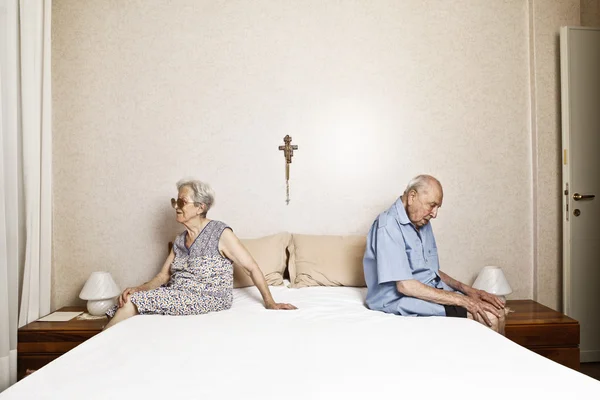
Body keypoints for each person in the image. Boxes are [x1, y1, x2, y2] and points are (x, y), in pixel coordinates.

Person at [104, 179, 296, 330]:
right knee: (125, 301)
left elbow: (251, 267)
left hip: (208, 296)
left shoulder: (220, 232)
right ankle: (103, 344)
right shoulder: (180, 240)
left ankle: (98, 345)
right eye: (175, 201)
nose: (177, 206)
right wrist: (138, 289)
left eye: (182, 202)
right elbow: (163, 276)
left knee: (132, 302)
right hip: (178, 293)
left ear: (200, 207)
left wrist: (270, 302)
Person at [363, 174, 507, 333]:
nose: (435, 214)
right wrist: (463, 301)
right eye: (432, 205)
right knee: (490, 317)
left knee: (498, 311)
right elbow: (405, 286)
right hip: (398, 299)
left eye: (437, 207)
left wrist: (468, 290)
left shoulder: (421, 221)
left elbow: (431, 271)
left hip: (423, 291)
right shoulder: (388, 225)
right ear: (412, 196)